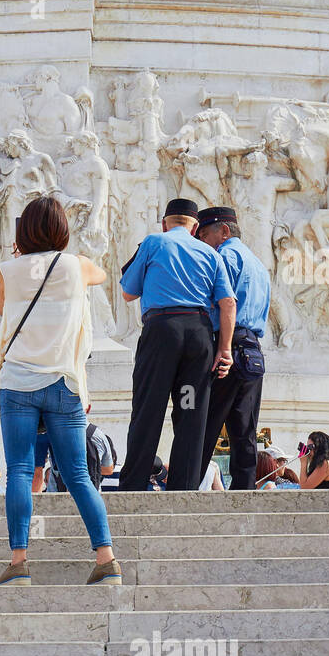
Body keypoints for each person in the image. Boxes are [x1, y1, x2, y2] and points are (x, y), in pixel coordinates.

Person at [0, 195, 121, 585]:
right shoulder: (77, 267)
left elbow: (5, 313)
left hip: (17, 383)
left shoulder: (5, 271)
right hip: (64, 384)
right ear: (63, 229)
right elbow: (100, 272)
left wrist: (21, 259)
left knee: (17, 470)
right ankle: (106, 558)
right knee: (79, 475)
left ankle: (19, 563)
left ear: (22, 232)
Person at [118, 198, 236, 491]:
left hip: (162, 332)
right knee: (190, 412)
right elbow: (228, 303)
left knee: (149, 408)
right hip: (197, 338)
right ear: (195, 227)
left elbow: (128, 293)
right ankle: (183, 487)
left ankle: (133, 485)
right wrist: (225, 350)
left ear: (164, 223)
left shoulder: (154, 242)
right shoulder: (210, 254)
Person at [194, 207, 271, 489]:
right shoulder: (259, 264)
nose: (202, 243)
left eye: (204, 235)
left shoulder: (224, 256)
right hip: (253, 351)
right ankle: (244, 494)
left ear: (223, 231)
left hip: (227, 345)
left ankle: (186, 490)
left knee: (205, 424)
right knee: (245, 432)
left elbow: (219, 301)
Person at [45, 404, 116, 493]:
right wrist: (89, 468)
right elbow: (108, 469)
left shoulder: (51, 431)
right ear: (88, 408)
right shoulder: (97, 435)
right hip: (90, 494)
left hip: (57, 495)